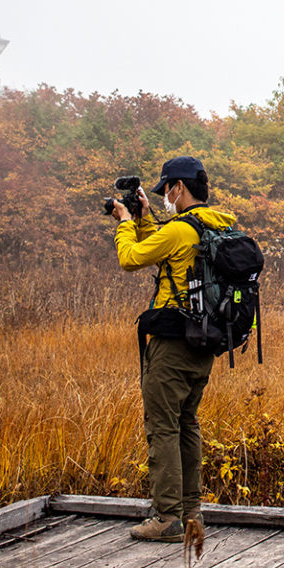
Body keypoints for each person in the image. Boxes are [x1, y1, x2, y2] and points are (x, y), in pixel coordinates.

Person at [109, 155, 237, 543]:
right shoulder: (217, 225)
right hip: (204, 343)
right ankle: (191, 512)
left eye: (166, 190)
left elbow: (131, 258)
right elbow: (166, 247)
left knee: (162, 426)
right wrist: (145, 215)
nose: (165, 196)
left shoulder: (181, 229)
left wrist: (125, 226)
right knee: (186, 424)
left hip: (172, 343)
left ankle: (166, 517)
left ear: (179, 187)